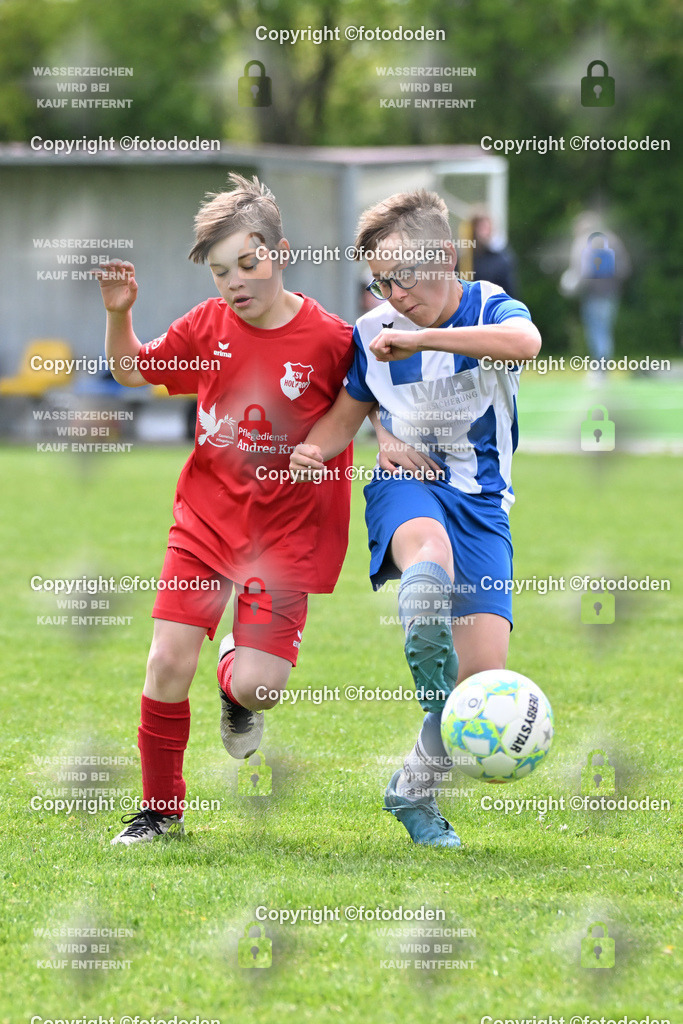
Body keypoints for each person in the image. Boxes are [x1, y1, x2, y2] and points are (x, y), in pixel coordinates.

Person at [97, 173, 361, 845]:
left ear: (280, 251)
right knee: (165, 661)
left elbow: (363, 404)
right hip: (206, 522)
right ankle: (160, 812)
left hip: (286, 538)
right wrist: (120, 313)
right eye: (221, 272)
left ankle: (235, 689)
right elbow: (132, 372)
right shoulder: (206, 325)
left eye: (247, 263)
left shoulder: (331, 341)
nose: (234, 282)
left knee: (258, 688)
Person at [290, 189, 541, 848]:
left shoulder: (487, 305)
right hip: (408, 488)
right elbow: (342, 419)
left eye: (401, 276)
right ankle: (421, 612)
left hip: (483, 505)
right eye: (378, 282)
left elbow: (527, 343)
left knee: (477, 682)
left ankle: (412, 793)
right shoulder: (371, 334)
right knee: (427, 554)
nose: (391, 294)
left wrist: (423, 337)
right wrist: (309, 453)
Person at [560, 211, 631, 366]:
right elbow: (625, 268)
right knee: (604, 329)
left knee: (597, 330)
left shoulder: (583, 242)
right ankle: (602, 367)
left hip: (592, 294)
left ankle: (600, 368)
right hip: (611, 293)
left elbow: (579, 272)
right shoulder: (612, 240)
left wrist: (571, 287)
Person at [471, 211, 517, 298]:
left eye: (487, 227)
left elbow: (510, 290)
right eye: (481, 227)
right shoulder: (464, 257)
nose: (484, 232)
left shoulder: (502, 258)